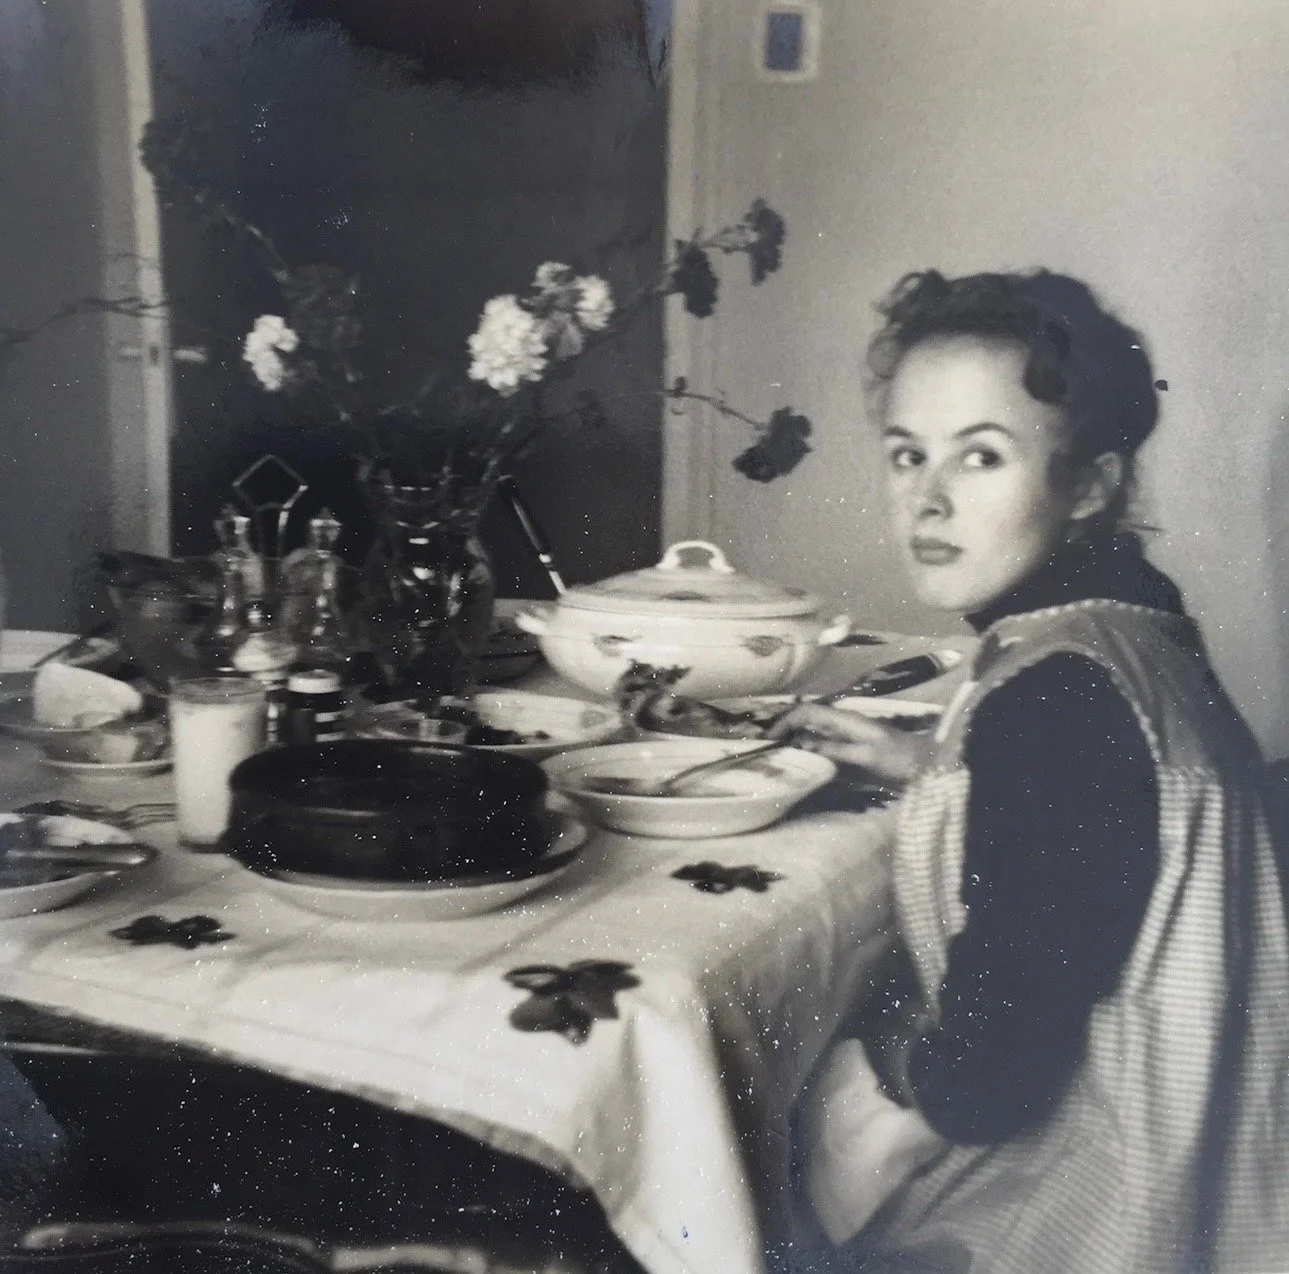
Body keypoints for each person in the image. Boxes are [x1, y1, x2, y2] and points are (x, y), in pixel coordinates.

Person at [772, 269, 1289, 1272]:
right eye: (905, 453)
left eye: (980, 456)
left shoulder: (1050, 708)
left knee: (783, 1123)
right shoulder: (1128, 629)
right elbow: (1104, 812)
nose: (926, 497)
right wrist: (926, 760)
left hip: (1113, 1200)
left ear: (1086, 486)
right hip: (1220, 1131)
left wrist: (868, 1080)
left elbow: (988, 1077)